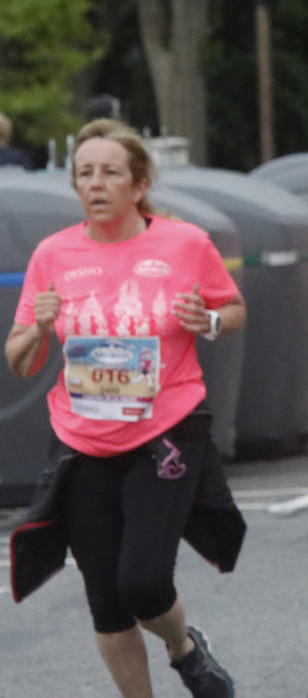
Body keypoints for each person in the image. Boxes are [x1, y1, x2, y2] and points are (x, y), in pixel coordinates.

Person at [5, 118, 246, 697]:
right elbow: (19, 360)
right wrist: (38, 327)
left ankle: (184, 646)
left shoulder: (184, 243)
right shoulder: (53, 254)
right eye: (85, 174)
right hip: (82, 441)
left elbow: (232, 309)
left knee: (142, 583)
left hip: (166, 433)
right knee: (106, 603)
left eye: (110, 172)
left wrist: (208, 321)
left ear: (138, 184)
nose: (96, 183)